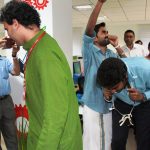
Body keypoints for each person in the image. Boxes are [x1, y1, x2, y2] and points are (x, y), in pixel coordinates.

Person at [0, 1, 82, 150]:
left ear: (16, 24)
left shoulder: (45, 54)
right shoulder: (37, 47)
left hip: (56, 144)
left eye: (7, 29)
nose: (8, 35)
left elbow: (55, 117)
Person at [81, 0, 121, 150]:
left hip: (109, 106)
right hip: (93, 105)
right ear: (95, 38)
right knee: (92, 143)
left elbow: (125, 70)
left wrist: (117, 45)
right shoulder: (90, 51)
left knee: (107, 141)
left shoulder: (111, 54)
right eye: (103, 32)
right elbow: (89, 30)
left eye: (107, 31)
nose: (107, 34)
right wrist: (99, 3)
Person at [97, 57, 150, 150]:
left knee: (144, 139)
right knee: (117, 140)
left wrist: (143, 96)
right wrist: (107, 96)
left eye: (115, 87)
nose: (113, 91)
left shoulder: (145, 69)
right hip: (121, 104)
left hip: (144, 104)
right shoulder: (105, 73)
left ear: (125, 76)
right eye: (109, 88)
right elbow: (108, 91)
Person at [0, 38, 20, 150]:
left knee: (12, 136)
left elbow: (16, 72)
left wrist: (14, 55)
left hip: (6, 102)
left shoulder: (4, 60)